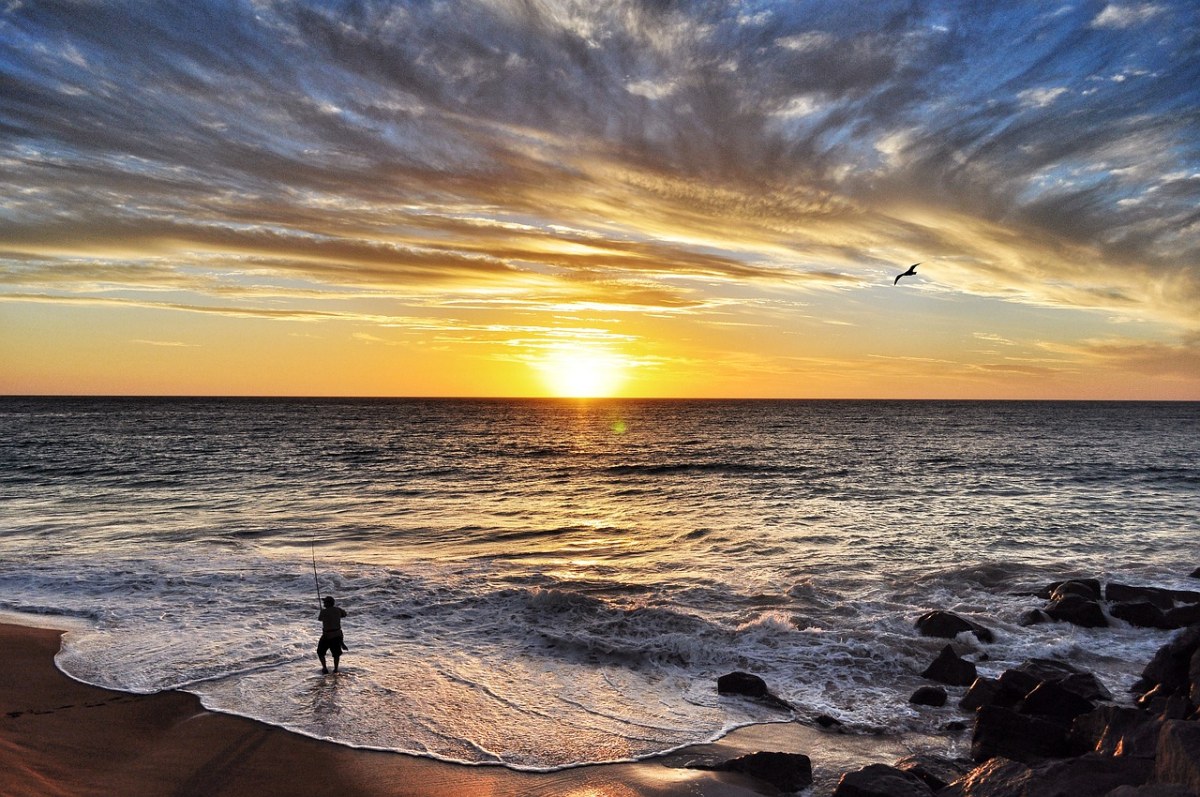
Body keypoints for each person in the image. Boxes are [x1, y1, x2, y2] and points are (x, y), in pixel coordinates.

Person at [317, 595, 348, 674]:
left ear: (328, 603)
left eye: (325, 602)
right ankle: (336, 669)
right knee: (336, 654)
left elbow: (320, 619)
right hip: (337, 635)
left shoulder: (323, 612)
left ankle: (324, 668)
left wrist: (322, 611)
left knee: (320, 652)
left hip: (326, 635)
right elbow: (344, 614)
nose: (323, 603)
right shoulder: (338, 610)